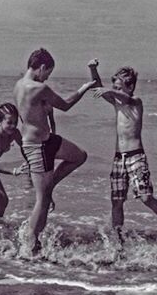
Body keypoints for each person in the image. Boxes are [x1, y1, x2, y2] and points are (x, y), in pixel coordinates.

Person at [13, 48, 98, 253]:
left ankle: (50, 187)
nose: (47, 77)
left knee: (79, 156)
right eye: (48, 72)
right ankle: (29, 244)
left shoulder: (19, 85)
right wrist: (85, 87)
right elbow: (66, 105)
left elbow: (33, 111)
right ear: (42, 67)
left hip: (48, 140)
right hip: (37, 146)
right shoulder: (37, 88)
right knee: (42, 201)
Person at [91, 62, 157, 245]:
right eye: (114, 87)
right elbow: (99, 88)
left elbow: (122, 96)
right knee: (117, 201)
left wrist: (111, 91)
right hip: (118, 158)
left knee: (146, 197)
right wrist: (93, 70)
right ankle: (118, 239)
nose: (115, 91)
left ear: (130, 87)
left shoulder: (135, 101)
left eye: (119, 87)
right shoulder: (116, 102)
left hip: (136, 156)